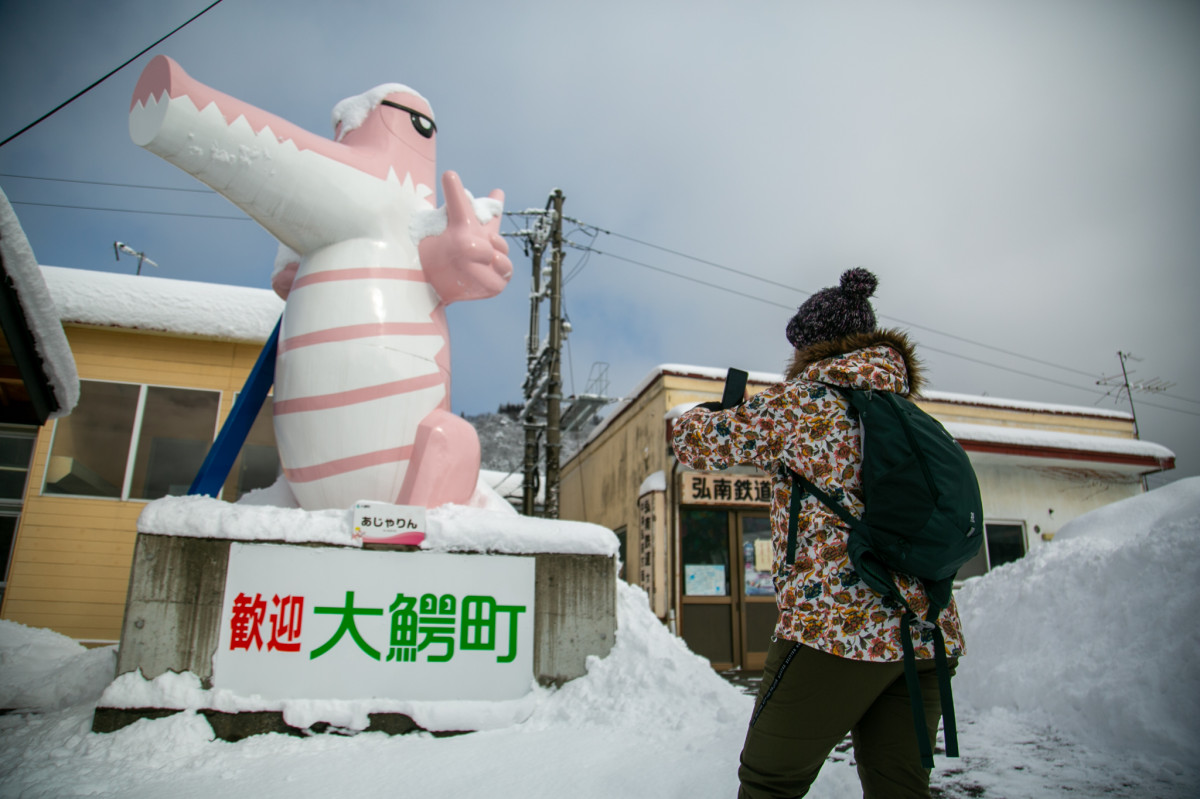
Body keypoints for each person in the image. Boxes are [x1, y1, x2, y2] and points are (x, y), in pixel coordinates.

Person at [671, 268, 965, 799]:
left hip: (837, 628)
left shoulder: (805, 403)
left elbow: (694, 443)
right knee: (900, 789)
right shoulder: (907, 411)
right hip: (926, 632)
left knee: (769, 782)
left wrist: (717, 411)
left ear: (813, 347)